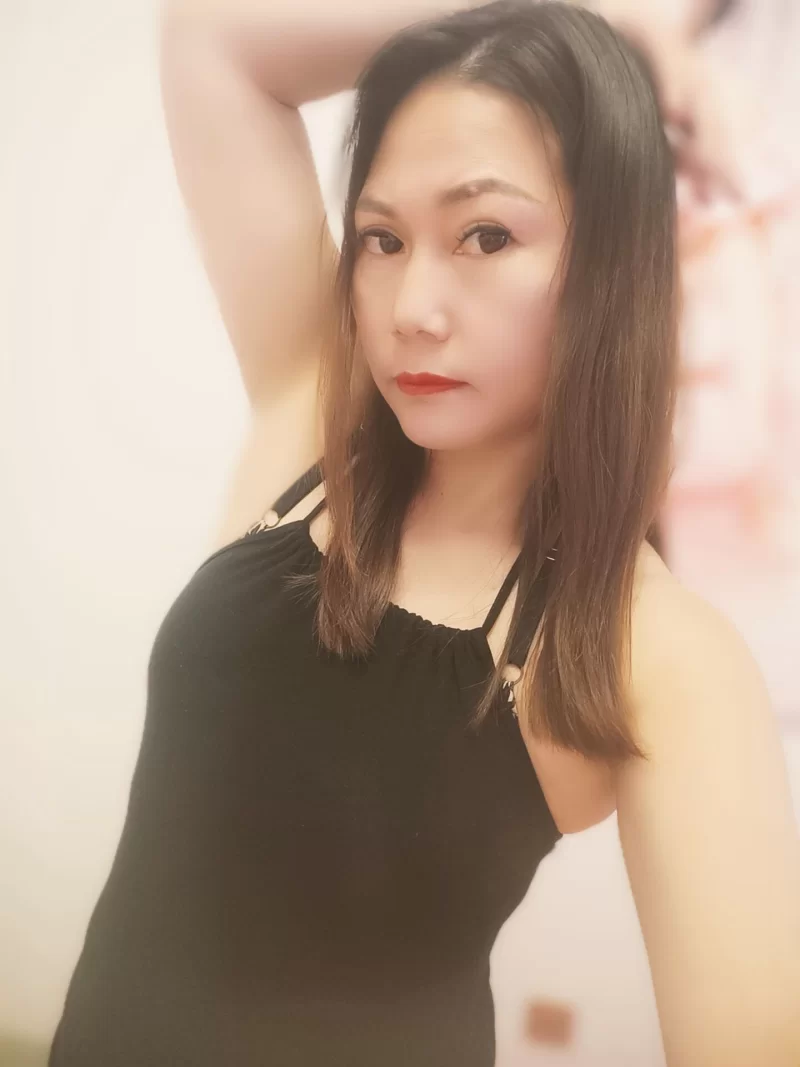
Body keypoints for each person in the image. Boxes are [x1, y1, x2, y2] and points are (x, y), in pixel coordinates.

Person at [48, 2, 800, 1065]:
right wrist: (576, 15)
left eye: (486, 235)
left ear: (610, 261)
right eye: (382, 238)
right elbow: (211, 37)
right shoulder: (315, 423)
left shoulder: (652, 648)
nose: (412, 306)